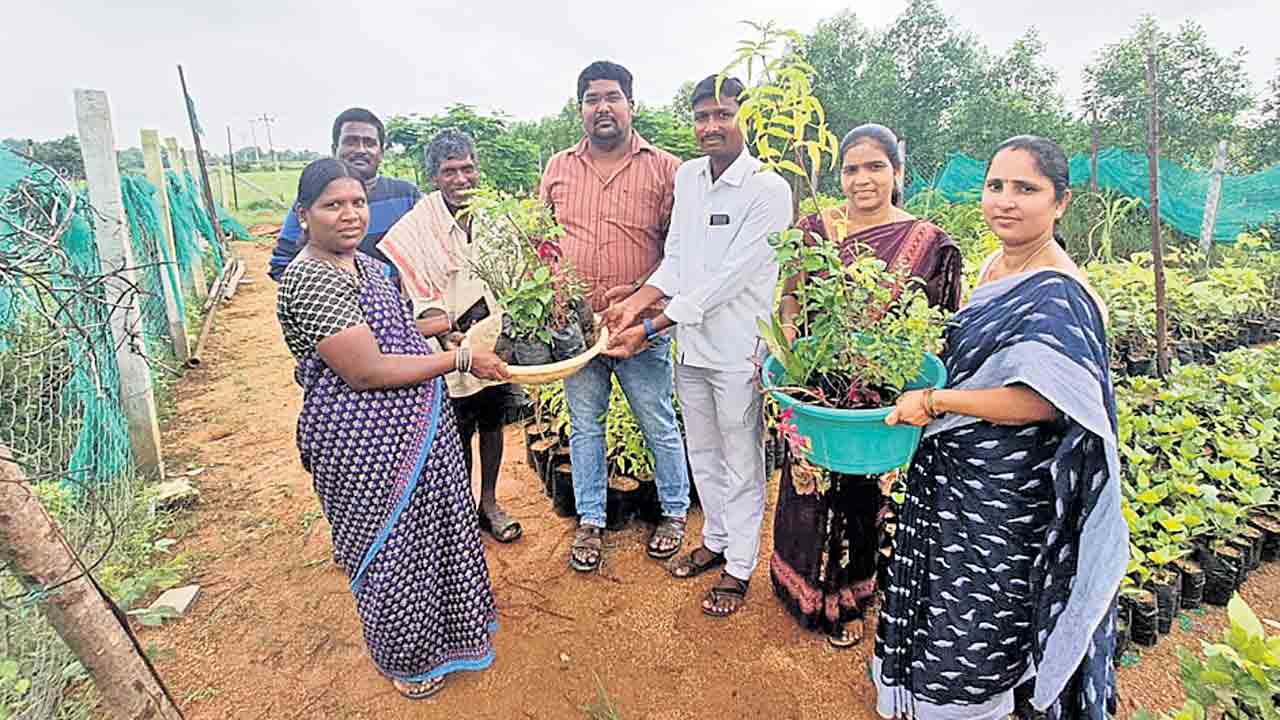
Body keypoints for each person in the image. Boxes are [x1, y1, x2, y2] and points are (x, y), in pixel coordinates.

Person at [873, 136, 1124, 719]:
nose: (1005, 202)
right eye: (995, 186)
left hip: (1002, 494)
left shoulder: (1061, 291)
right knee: (938, 597)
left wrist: (935, 400)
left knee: (974, 621)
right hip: (956, 471)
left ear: (1060, 203)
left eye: (1026, 189)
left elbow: (1043, 401)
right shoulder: (995, 265)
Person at [275, 158, 510, 699]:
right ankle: (409, 660)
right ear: (304, 215)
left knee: (437, 539)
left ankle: (452, 637)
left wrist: (444, 325)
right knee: (394, 553)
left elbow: (396, 332)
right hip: (364, 445)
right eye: (333, 205)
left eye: (357, 203)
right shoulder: (309, 279)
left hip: (413, 431)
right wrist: (460, 360)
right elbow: (367, 369)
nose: (350, 215)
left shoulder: (365, 268)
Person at [603, 74, 792, 617]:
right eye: (702, 116)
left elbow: (729, 279)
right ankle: (714, 539)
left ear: (745, 118)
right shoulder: (689, 177)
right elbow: (679, 257)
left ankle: (739, 568)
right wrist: (640, 298)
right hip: (692, 348)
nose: (710, 126)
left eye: (722, 114)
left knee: (741, 458)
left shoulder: (768, 190)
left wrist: (651, 325)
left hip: (739, 351)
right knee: (703, 451)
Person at [769, 124, 963, 648]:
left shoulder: (929, 243)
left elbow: (941, 329)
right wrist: (788, 339)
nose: (862, 179)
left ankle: (855, 595)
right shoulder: (816, 228)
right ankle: (804, 589)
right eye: (851, 169)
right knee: (812, 486)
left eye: (875, 166)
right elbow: (791, 296)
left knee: (865, 495)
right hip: (816, 390)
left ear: (897, 172)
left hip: (883, 400)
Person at [539, 60, 690, 572]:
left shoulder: (666, 169)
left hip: (639, 324)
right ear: (580, 107)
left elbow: (682, 252)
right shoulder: (558, 167)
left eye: (612, 97)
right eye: (591, 98)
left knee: (657, 418)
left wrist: (653, 306)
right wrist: (555, 294)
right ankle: (590, 519)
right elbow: (544, 243)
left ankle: (673, 511)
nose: (602, 107)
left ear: (631, 104)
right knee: (585, 424)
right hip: (575, 325)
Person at [378, 129, 525, 544]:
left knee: (493, 420)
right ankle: (459, 510)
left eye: (468, 168)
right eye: (449, 171)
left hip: (491, 334)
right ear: (434, 177)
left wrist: (505, 328)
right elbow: (418, 290)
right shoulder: (419, 224)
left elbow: (512, 276)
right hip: (445, 341)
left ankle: (490, 503)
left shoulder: (496, 215)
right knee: (456, 428)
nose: (461, 179)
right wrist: (446, 335)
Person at [268, 108, 420, 282]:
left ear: (381, 152)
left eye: (369, 143)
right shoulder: (314, 202)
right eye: (351, 142)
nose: (361, 150)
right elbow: (282, 265)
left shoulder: (407, 195)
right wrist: (343, 293)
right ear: (335, 149)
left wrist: (391, 295)